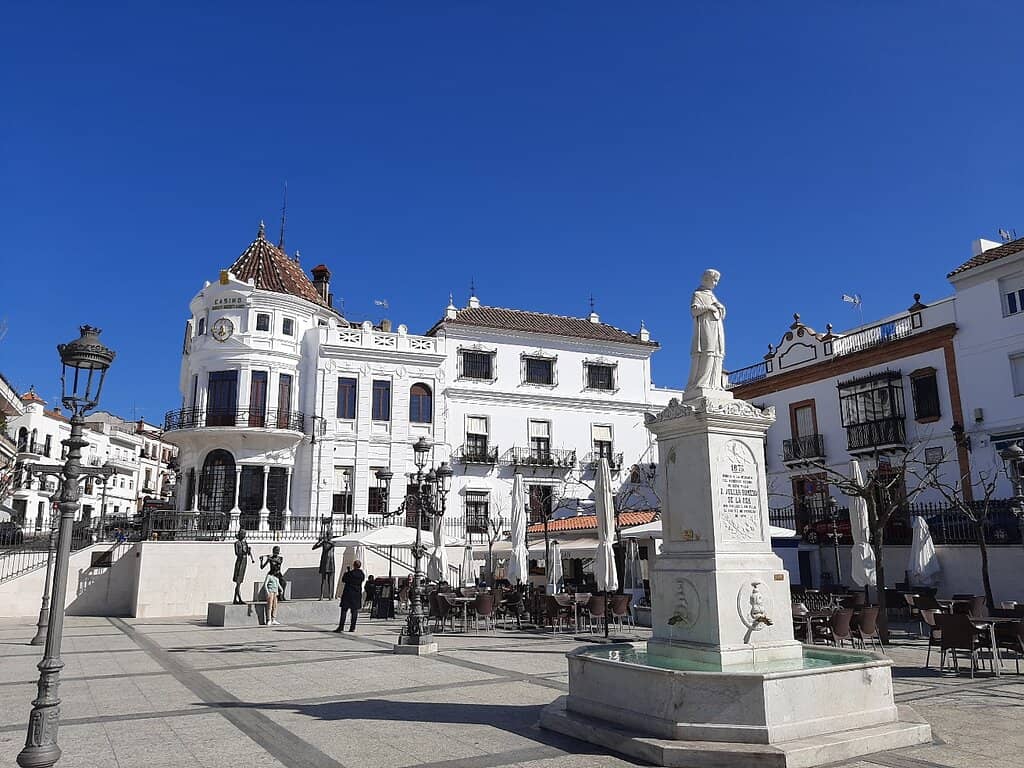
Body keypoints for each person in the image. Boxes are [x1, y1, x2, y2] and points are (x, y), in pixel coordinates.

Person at [685, 268, 727, 392]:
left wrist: (720, 307)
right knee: (707, 351)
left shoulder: (713, 296)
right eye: (714, 280)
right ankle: (702, 382)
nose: (715, 283)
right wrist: (709, 307)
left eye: (717, 281)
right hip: (706, 325)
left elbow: (721, 314)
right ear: (706, 279)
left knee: (718, 353)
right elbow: (694, 310)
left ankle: (715, 384)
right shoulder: (698, 294)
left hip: (717, 326)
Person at [336, 560, 365, 633]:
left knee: (344, 611)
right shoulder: (362, 574)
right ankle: (352, 627)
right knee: (354, 612)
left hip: (348, 594)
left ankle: (341, 626)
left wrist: (347, 572)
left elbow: (344, 580)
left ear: (354, 565)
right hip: (356, 595)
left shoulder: (349, 574)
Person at [232, 530, 255, 605]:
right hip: (240, 562)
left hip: (244, 562)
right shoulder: (237, 543)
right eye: (243, 534)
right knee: (238, 582)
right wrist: (244, 552)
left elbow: (247, 553)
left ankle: (235, 599)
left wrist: (248, 551)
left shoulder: (245, 543)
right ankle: (238, 598)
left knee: (239, 582)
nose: (244, 535)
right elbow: (237, 553)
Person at [312, 532, 336, 600]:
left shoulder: (333, 542)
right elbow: (313, 548)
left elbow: (332, 545)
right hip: (324, 562)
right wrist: (319, 542)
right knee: (323, 580)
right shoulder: (324, 543)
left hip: (331, 562)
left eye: (330, 535)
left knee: (330, 580)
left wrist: (326, 541)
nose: (329, 536)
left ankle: (330, 596)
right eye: (328, 535)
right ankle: (321, 595)